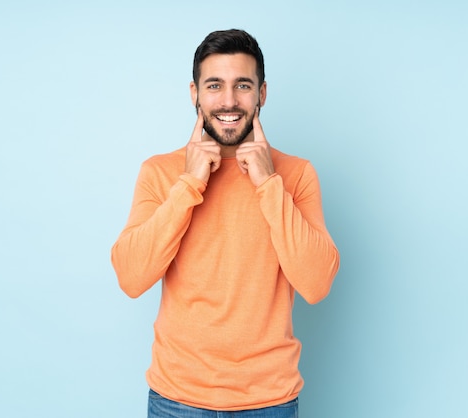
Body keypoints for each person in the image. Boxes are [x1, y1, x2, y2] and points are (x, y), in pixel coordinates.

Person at [111, 29, 340, 417]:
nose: (229, 101)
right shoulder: (160, 172)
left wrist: (269, 184)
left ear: (262, 94)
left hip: (269, 402)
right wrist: (189, 184)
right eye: (214, 85)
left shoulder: (296, 175)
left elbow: (317, 284)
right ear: (194, 93)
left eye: (243, 85)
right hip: (176, 401)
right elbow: (131, 278)